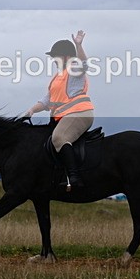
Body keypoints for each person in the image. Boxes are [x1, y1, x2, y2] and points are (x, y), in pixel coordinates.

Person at [24, 30, 94, 189]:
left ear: (67, 57)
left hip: (79, 113)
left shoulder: (73, 68)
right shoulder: (57, 78)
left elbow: (85, 63)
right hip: (62, 117)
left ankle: (74, 179)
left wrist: (78, 45)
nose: (53, 60)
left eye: (55, 56)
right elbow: (47, 100)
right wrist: (32, 110)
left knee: (59, 138)